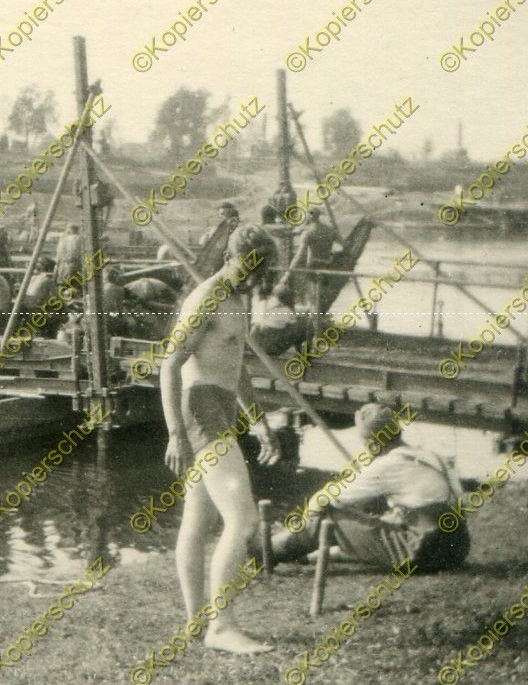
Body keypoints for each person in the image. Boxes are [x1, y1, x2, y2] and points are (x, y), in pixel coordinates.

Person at [160, 224, 282, 653]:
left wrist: (259, 421)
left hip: (222, 407)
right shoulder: (207, 297)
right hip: (200, 409)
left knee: (198, 521)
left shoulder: (236, 298)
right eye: (262, 269)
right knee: (242, 519)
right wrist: (176, 432)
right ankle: (221, 626)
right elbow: (169, 366)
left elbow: (236, 363)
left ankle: (196, 620)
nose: (264, 279)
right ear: (244, 261)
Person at [272, 403, 469, 572]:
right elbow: (457, 501)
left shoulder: (388, 464)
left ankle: (266, 551)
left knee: (325, 517)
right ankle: (309, 555)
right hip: (456, 548)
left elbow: (329, 499)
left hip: (423, 550)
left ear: (371, 442)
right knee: (368, 522)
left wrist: (304, 518)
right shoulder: (432, 456)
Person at [288, 208, 343, 311]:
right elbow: (343, 245)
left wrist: (289, 271)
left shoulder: (309, 232)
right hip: (327, 265)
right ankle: (318, 318)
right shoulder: (330, 230)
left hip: (313, 266)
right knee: (321, 296)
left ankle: (314, 320)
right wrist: (332, 254)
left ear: (310, 217)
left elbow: (299, 255)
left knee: (312, 298)